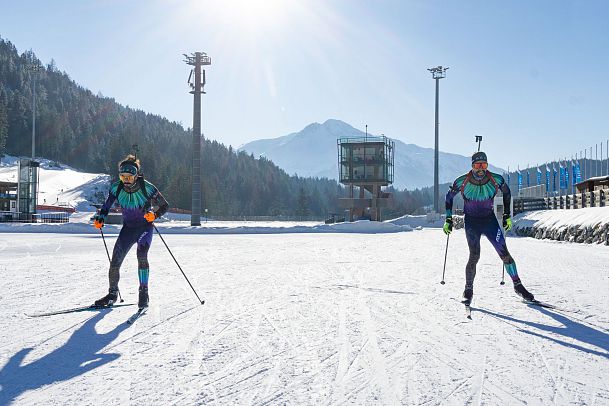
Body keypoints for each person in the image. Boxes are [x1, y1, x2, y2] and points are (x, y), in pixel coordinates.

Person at [443, 151, 534, 305]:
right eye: (477, 165)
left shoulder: (495, 179)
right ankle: (468, 289)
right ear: (472, 166)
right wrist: (448, 219)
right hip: (472, 222)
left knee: (505, 254)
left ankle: (518, 286)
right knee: (474, 255)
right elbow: (449, 197)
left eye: (484, 165)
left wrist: (506, 215)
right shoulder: (462, 181)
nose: (481, 169)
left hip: (489, 221)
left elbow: (507, 193)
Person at [92, 155, 169, 309]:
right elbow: (106, 205)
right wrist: (100, 217)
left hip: (144, 228)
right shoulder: (116, 188)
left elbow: (165, 205)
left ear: (136, 175)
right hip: (128, 229)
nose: (126, 180)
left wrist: (155, 214)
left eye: (129, 176)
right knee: (115, 261)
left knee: (141, 257)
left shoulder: (147, 187)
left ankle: (143, 293)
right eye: (122, 176)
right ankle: (112, 294)